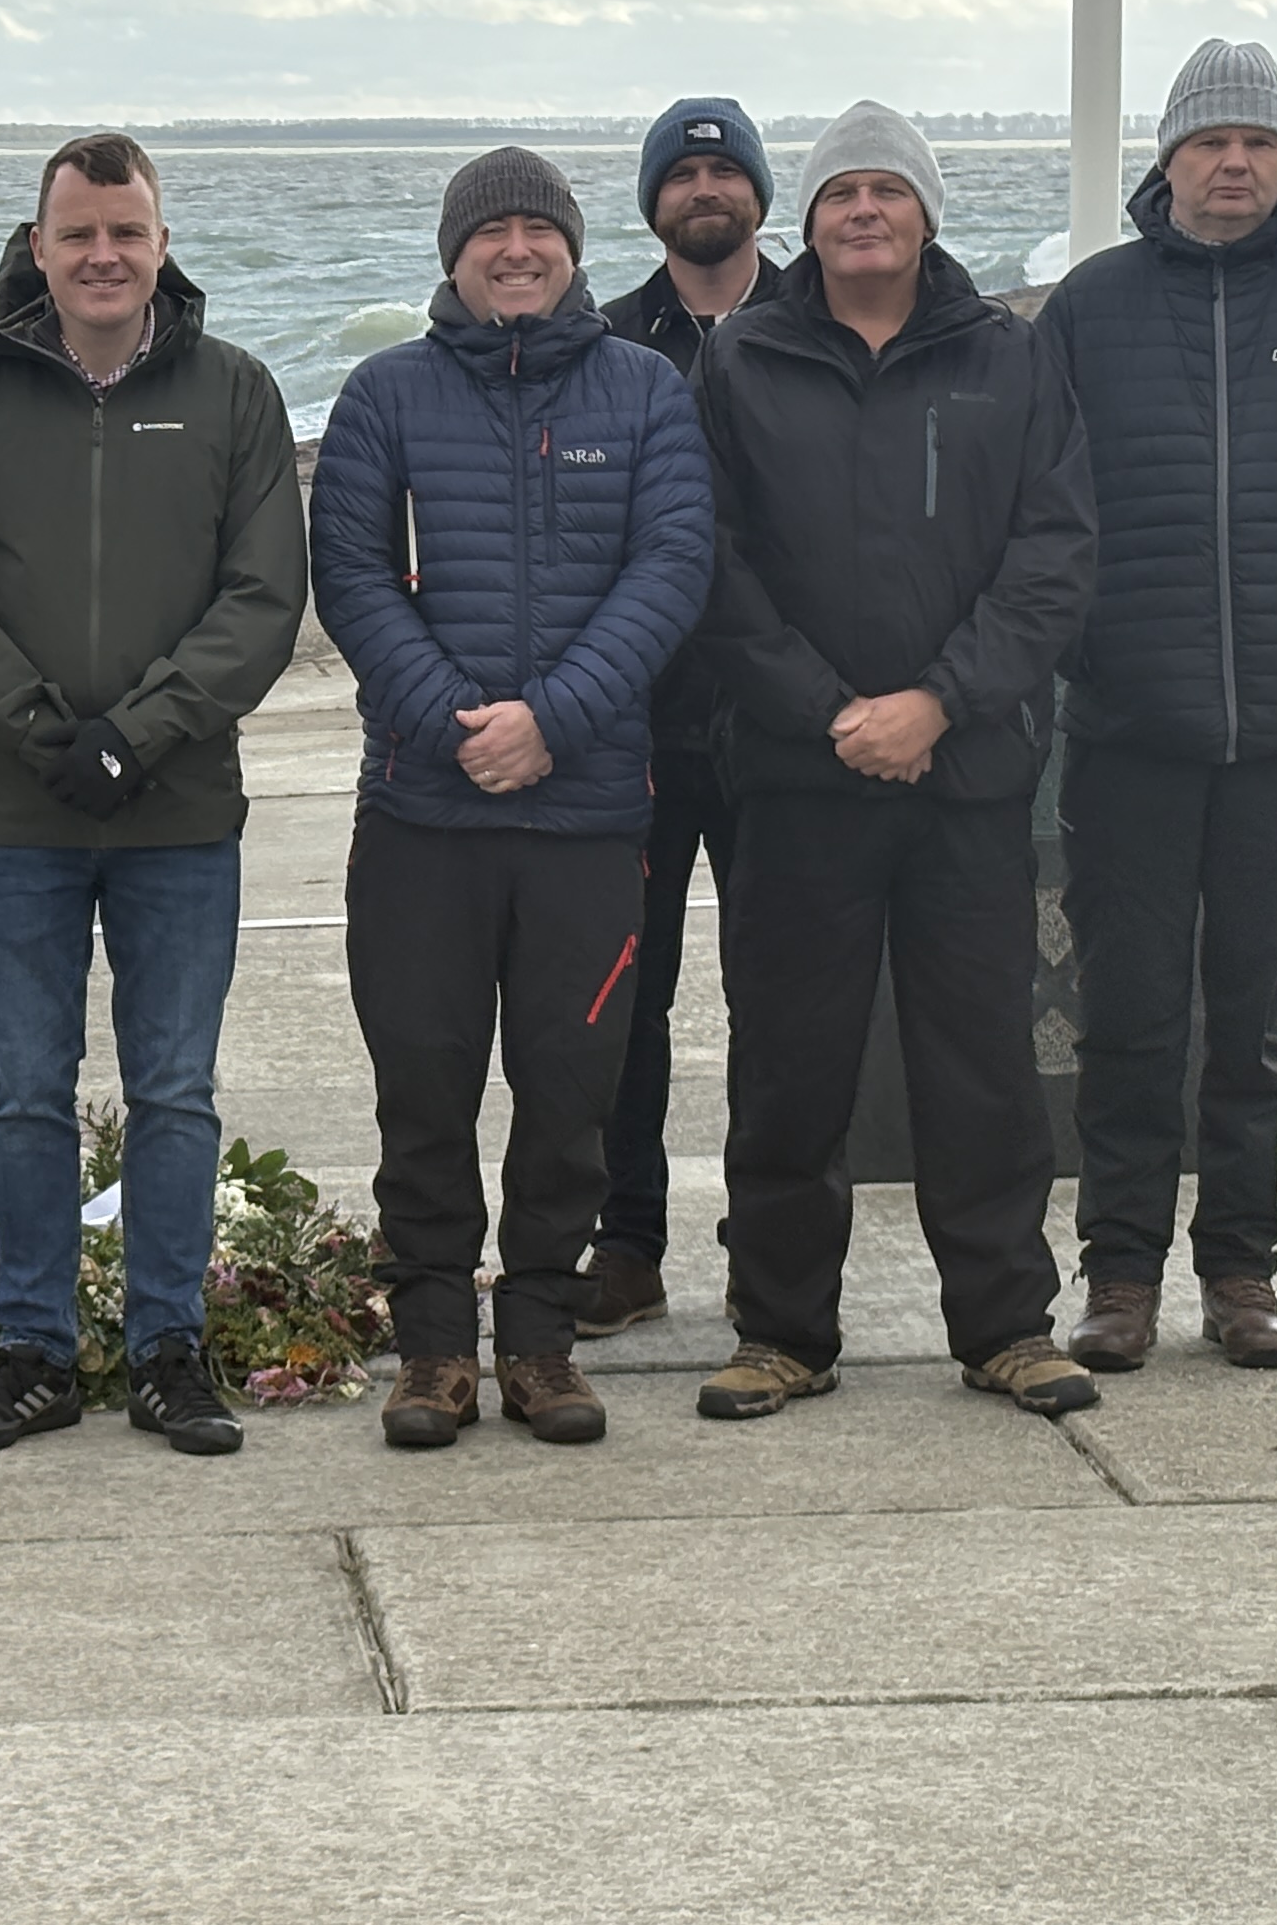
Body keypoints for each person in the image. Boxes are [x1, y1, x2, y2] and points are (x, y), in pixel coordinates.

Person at [0, 133, 306, 1457]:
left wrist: (141, 735)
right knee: (26, 1093)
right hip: (20, 814)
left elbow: (263, 596)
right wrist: (42, 733)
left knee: (175, 1090)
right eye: (79, 236)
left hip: (181, 813)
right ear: (41, 247)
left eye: (127, 233)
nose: (104, 257)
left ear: (162, 243)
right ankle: (34, 1355)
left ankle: (171, 1354)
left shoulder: (236, 395)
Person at [692, 106, 1101, 1426]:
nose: (863, 210)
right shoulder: (743, 362)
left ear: (927, 213)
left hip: (966, 778)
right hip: (797, 781)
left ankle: (1004, 1326)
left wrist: (934, 702)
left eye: (888, 190)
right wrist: (829, 712)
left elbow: (1054, 561)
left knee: (980, 1064)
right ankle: (783, 1332)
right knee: (790, 1066)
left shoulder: (1008, 359)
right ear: (805, 221)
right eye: (839, 193)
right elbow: (715, 568)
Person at [309, 147, 715, 1448]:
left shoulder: (646, 392)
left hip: (589, 819)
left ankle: (540, 1342)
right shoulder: (386, 395)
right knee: (422, 1090)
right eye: (493, 235)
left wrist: (554, 721)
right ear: (456, 254)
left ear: (574, 249)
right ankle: (433, 1347)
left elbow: (672, 568)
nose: (518, 251)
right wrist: (453, 723)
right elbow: (354, 579)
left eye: (541, 231)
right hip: (423, 818)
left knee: (569, 1091)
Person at [1040, 41, 1277, 1373]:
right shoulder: (1090, 310)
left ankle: (1243, 1266)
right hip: (1128, 730)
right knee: (1133, 1006)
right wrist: (1085, 642)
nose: (1233, 164)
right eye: (1210, 144)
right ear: (1169, 159)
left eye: (1257, 143)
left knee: (1250, 1010)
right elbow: (1043, 503)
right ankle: (1122, 1269)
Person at [581, 95, 783, 1335]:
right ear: (652, 201)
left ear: (761, 191)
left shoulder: (818, 325)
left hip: (782, 721)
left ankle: (766, 1234)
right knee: (625, 996)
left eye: (725, 168)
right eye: (683, 171)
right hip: (635, 725)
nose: (704, 185)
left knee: (779, 994)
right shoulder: (602, 342)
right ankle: (629, 1237)